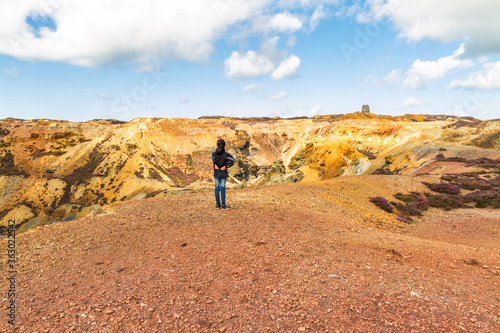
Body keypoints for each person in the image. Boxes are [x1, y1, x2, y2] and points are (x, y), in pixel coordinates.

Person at [212, 139, 235, 210]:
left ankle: (218, 204)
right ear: (224, 146)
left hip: (216, 172)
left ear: (217, 145)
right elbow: (233, 160)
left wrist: (214, 165)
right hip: (223, 172)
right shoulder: (226, 154)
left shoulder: (213, 154)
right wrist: (226, 166)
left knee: (216, 188)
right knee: (222, 188)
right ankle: (223, 205)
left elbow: (213, 161)